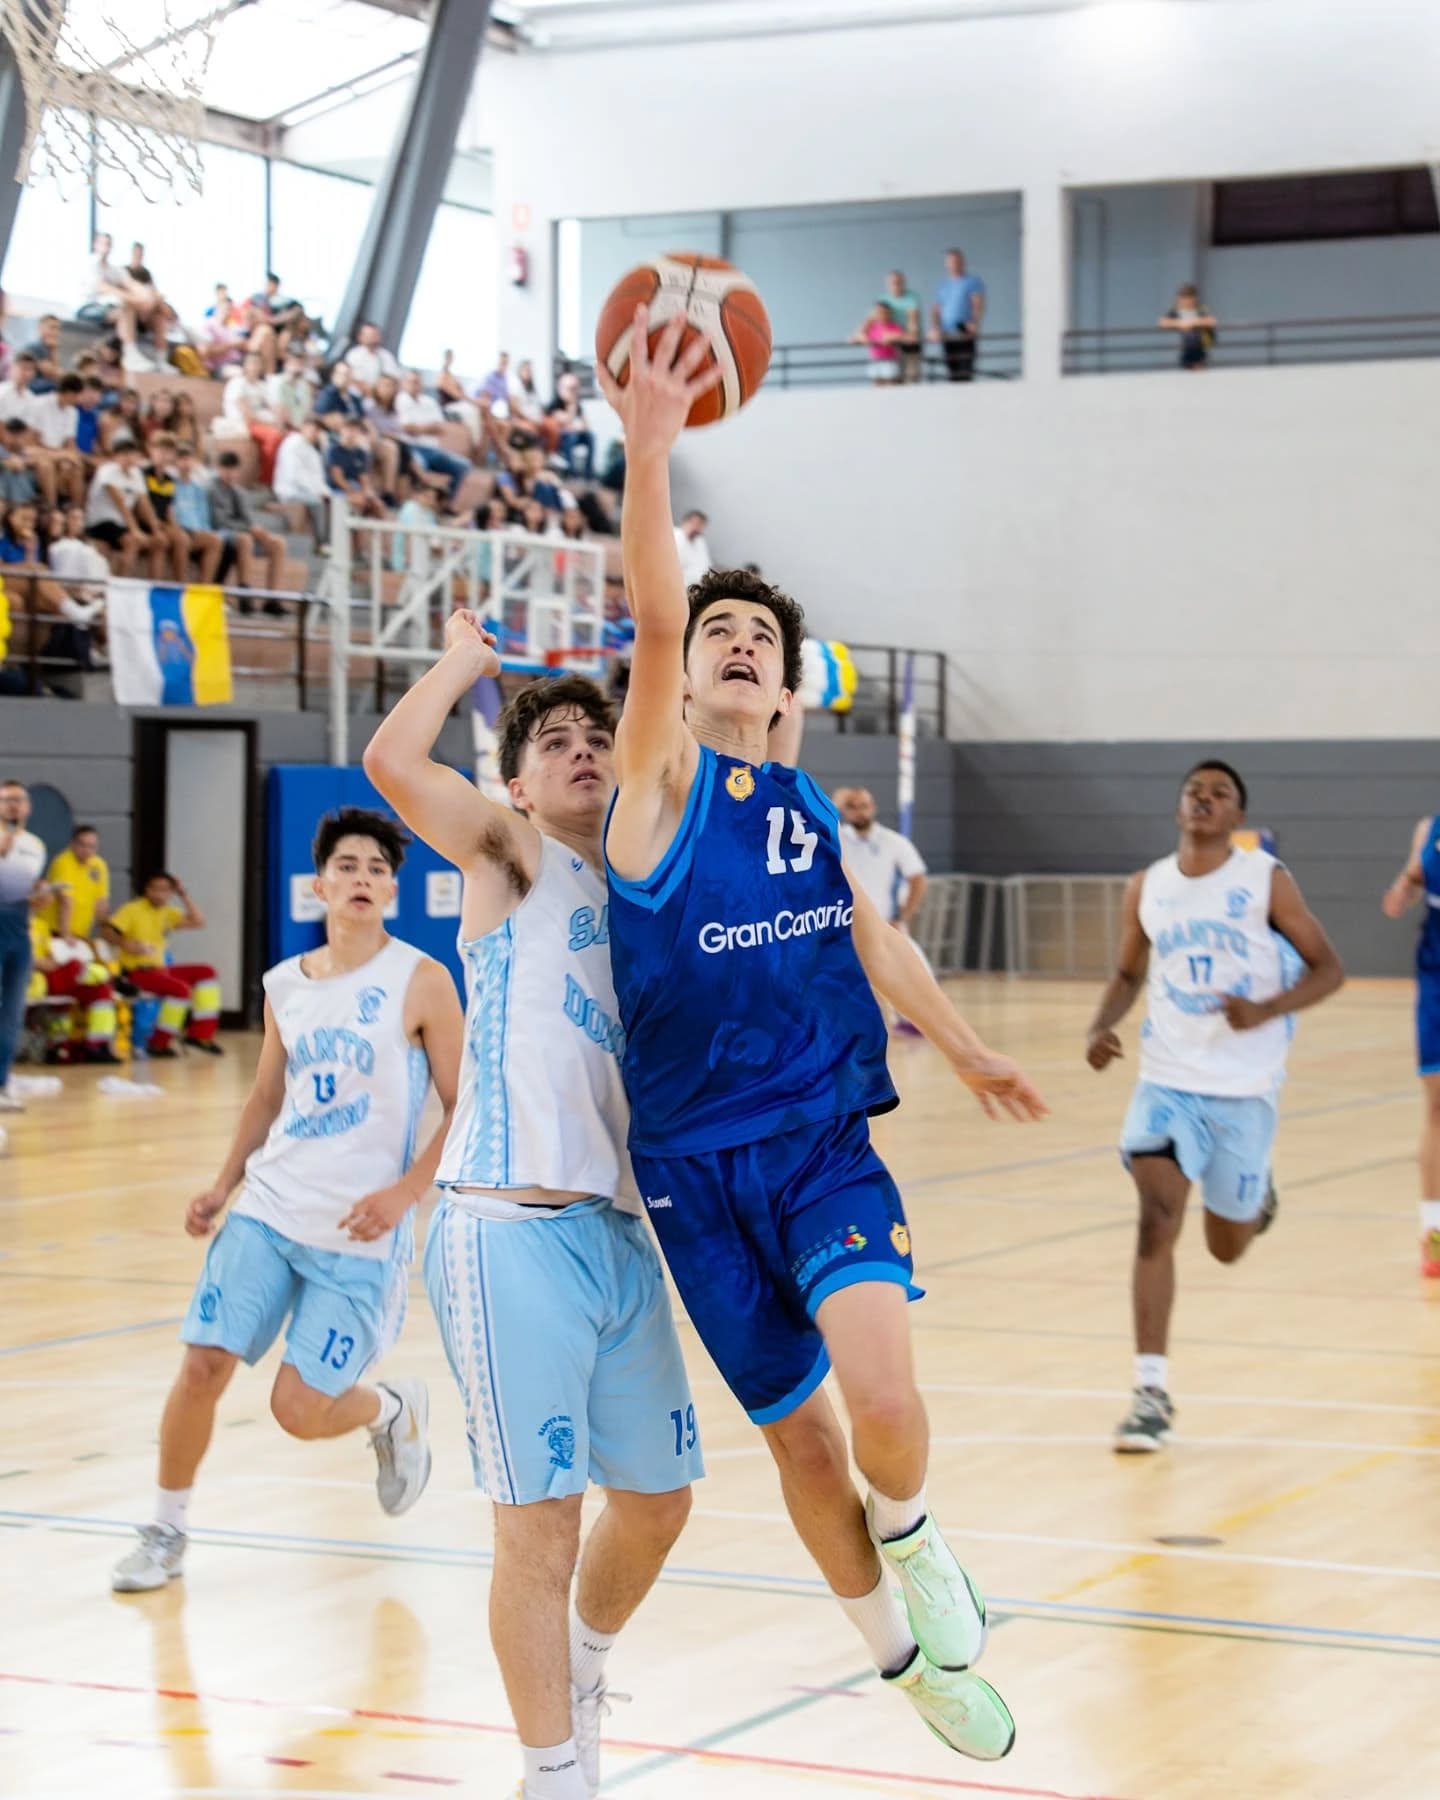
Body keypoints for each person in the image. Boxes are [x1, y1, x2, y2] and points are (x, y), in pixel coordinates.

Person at [596, 311, 1046, 1764]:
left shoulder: (800, 807)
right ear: (684, 681)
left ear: (790, 692)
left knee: (886, 1404)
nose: (736, 645)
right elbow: (652, 617)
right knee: (801, 1444)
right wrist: (649, 451)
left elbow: (873, 938)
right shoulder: (656, 792)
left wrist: (963, 1045)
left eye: (762, 640)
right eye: (717, 633)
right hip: (691, 1170)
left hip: (820, 1146)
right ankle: (903, 1664)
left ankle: (913, 1533)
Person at [364, 652, 704, 1800]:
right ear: (514, 784)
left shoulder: (647, 896)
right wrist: (462, 665)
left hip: (618, 1236)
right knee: (541, 1528)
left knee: (658, 1503)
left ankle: (583, 1669)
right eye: (554, 743)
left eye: (596, 738)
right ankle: (553, 1772)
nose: (583, 751)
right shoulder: (511, 857)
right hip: (506, 1229)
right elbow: (390, 763)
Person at [111, 809, 462, 1594]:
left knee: (299, 1410)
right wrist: (222, 1184)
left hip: (359, 1235)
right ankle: (165, 1530)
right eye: (347, 866)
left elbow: (463, 1102)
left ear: (393, 891)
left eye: (377, 869)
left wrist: (406, 1193)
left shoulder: (421, 980)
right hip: (269, 1211)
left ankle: (390, 1410)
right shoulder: (284, 986)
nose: (362, 878)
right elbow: (266, 1098)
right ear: (319, 886)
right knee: (202, 1364)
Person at [1085, 760, 1344, 1452]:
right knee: (1155, 1219)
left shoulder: (1265, 880)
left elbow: (1330, 969)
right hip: (1166, 1082)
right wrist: (1100, 1026)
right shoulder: (1148, 886)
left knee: (1226, 1247)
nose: (1203, 798)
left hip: (1244, 1090)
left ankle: (1255, 1202)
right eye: (1194, 791)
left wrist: (1267, 1009)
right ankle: (1150, 1394)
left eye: (1219, 793)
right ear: (1179, 809)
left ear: (1237, 816)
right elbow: (1128, 972)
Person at [1380, 814, 1440, 1276]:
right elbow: (1415, 875)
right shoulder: (1429, 829)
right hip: (1437, 976)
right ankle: (1434, 1235)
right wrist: (1404, 887)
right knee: (1438, 1106)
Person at [101, 872, 224, 1056]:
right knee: (181, 990)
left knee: (207, 972)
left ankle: (200, 1034)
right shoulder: (133, 909)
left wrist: (183, 894)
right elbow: (106, 932)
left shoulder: (167, 912)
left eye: (165, 890)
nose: (160, 894)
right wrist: (126, 944)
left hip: (160, 970)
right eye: (156, 889)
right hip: (137, 972)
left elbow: (198, 921)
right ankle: (159, 1043)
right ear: (147, 890)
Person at [0, 779, 47, 1111]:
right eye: (7, 799)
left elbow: (22, 891)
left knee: (12, 1013)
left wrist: (40, 897)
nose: (14, 805)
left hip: (18, 933)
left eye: (20, 799)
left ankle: (2, 1083)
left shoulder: (35, 845)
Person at [26, 908, 118, 1064]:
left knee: (101, 990)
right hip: (28, 977)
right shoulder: (9, 922)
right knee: (74, 967)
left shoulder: (41, 925)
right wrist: (36, 963)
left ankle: (97, 1047)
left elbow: (49, 956)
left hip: (51, 975)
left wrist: (48, 962)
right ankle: (108, 976)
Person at [210, 451, 287, 612]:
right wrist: (249, 529)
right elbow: (219, 521)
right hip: (222, 533)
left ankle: (273, 598)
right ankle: (244, 593)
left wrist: (258, 531)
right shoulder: (212, 489)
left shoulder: (239, 492)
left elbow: (247, 519)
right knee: (245, 540)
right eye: (226, 469)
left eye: (233, 469)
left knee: (277, 543)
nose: (229, 474)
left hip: (242, 532)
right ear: (218, 469)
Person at [929, 248, 986, 383]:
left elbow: (977, 304)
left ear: (962, 262)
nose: (954, 264)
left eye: (957, 261)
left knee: (965, 371)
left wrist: (975, 323)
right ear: (946, 264)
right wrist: (935, 328)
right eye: (951, 261)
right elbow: (936, 310)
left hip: (964, 331)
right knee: (952, 372)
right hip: (947, 333)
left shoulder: (972, 281)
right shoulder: (943, 285)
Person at [45, 823, 110, 940]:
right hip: (55, 932)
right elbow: (65, 901)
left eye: (91, 846)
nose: (87, 850)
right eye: (82, 845)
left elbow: (101, 903)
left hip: (81, 933)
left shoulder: (99, 865)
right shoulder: (63, 862)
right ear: (72, 844)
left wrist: (106, 934)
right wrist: (65, 935)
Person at [274, 417, 330, 548]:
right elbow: (294, 475)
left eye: (318, 431)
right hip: (290, 490)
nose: (315, 434)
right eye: (314, 429)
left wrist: (326, 492)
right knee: (318, 502)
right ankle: (323, 542)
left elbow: (318, 477)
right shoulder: (292, 443)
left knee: (334, 501)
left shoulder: (312, 450)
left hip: (307, 491)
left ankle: (332, 541)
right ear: (304, 427)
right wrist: (317, 492)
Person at [1159, 283, 1218, 371]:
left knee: (1198, 364)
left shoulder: (1200, 309)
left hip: (1200, 347)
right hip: (1185, 349)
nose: (1185, 301)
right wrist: (1180, 323)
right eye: (1183, 298)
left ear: (1194, 299)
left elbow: (1212, 321)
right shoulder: (1175, 310)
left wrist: (1193, 323)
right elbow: (1163, 322)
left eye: (1188, 298)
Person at [850, 301, 906, 385]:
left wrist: (893, 337)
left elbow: (903, 336)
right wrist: (862, 338)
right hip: (875, 360)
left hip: (889, 360)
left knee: (891, 384)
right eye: (879, 312)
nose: (882, 314)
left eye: (884, 312)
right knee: (877, 384)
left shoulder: (894, 326)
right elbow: (854, 338)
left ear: (889, 313)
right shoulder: (872, 327)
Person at [881, 270, 923, 382]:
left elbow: (913, 322)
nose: (896, 285)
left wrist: (905, 335)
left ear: (903, 283)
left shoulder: (912, 297)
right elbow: (874, 318)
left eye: (899, 282)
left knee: (911, 378)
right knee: (893, 379)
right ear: (888, 284)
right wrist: (860, 332)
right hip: (891, 346)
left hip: (909, 345)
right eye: (893, 282)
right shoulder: (883, 298)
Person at [672, 508, 710, 586]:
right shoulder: (674, 537)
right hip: (678, 586)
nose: (698, 528)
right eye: (696, 524)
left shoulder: (700, 541)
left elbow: (706, 565)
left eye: (701, 525)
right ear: (686, 522)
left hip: (698, 586)